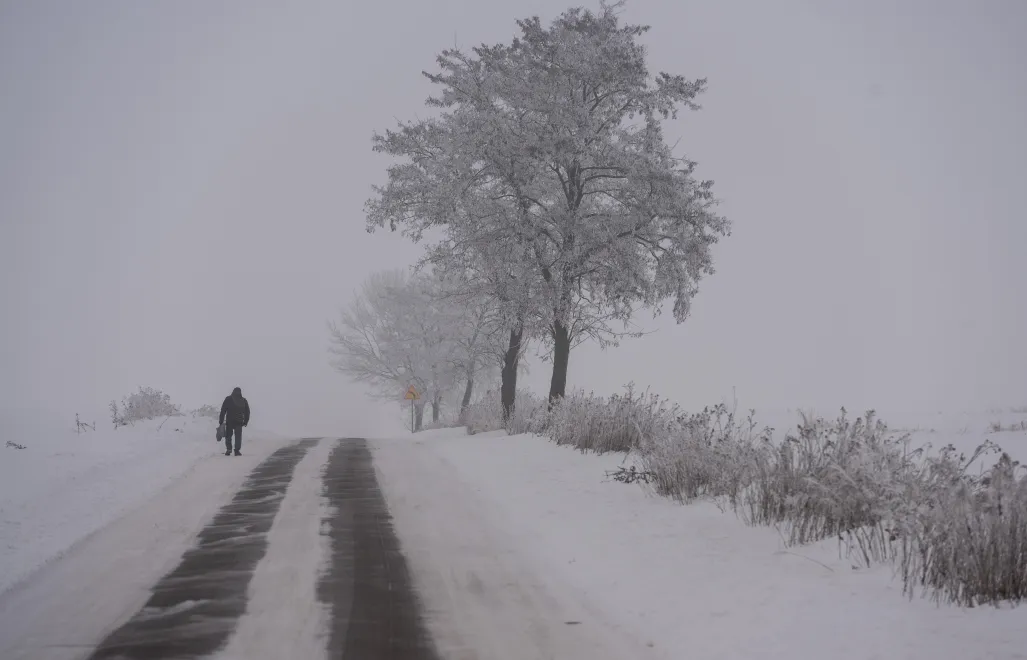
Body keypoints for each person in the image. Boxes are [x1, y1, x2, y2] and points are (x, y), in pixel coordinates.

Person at [219, 387, 250, 456]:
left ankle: (229, 449)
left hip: (230, 421)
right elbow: (247, 412)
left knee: (228, 436)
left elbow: (223, 410)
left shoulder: (228, 399)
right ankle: (237, 450)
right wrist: (245, 421)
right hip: (239, 422)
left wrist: (221, 420)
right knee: (238, 437)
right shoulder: (243, 400)